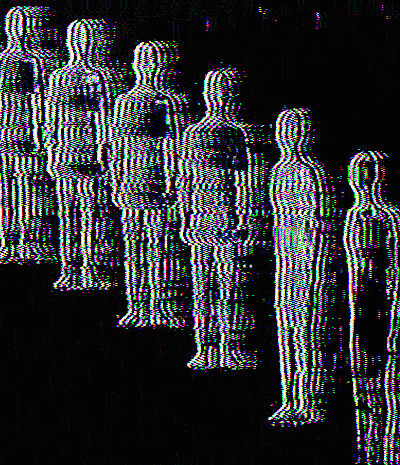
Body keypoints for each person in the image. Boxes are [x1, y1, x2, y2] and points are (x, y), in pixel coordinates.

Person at [177, 68, 263, 369]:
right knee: (214, 287)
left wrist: (244, 218)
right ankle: (211, 348)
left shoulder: (235, 132)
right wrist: (187, 217)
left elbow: (248, 180)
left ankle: (227, 347)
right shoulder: (205, 133)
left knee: (225, 287)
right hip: (211, 219)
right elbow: (187, 180)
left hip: (222, 220)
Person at [110, 41, 188, 327]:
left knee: (162, 246)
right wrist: (117, 180)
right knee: (137, 246)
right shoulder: (127, 101)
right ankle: (139, 305)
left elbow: (178, 146)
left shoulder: (172, 101)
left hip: (159, 185)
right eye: (144, 62)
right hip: (134, 182)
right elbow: (117, 145)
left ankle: (163, 305)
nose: (149, 68)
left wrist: (173, 183)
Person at [44, 19, 123, 290]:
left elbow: (52, 117)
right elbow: (107, 118)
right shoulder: (104, 76)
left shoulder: (61, 76)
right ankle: (84, 268)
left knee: (75, 213)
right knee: (88, 213)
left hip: (71, 152)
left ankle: (81, 268)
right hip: (85, 153)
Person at [268, 108, 331, 425]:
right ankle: (289, 400)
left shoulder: (313, 171)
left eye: (297, 129)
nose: (291, 136)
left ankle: (310, 402)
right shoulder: (280, 170)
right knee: (287, 332)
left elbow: (319, 222)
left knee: (308, 333)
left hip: (310, 263)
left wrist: (314, 264)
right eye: (286, 129)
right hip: (287, 259)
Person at [0, 6, 59, 264]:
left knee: (27, 190)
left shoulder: (19, 59)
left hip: (23, 132)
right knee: (19, 189)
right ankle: (16, 243)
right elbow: (1, 98)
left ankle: (28, 243)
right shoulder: (12, 60)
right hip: (17, 132)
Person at [344, 150, 399, 464]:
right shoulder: (356, 213)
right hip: (362, 303)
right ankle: (367, 448)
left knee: (388, 378)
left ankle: (388, 450)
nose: (362, 180)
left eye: (368, 172)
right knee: (363, 377)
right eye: (358, 173)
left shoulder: (389, 216)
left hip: (385, 304)